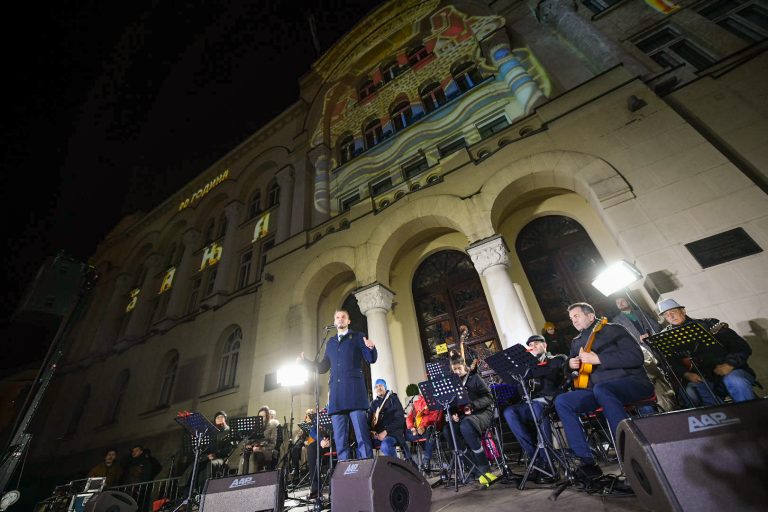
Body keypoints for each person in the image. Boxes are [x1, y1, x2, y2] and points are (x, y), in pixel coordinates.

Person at [554, 302, 654, 480]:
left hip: (631, 382)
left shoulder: (614, 329)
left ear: (590, 316)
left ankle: (630, 453)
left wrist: (599, 359)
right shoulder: (577, 342)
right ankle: (587, 462)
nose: (573, 321)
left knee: (603, 389)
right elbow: (571, 369)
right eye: (571, 318)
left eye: (576, 316)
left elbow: (636, 357)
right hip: (596, 390)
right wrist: (570, 365)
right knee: (563, 401)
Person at [299, 309, 377, 461]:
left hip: (354, 393)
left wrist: (371, 348)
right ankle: (344, 470)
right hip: (337, 396)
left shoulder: (358, 336)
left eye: (343, 317)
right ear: (334, 322)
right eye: (337, 317)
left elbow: (370, 359)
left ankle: (368, 467)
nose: (340, 319)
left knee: (362, 437)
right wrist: (305, 363)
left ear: (348, 321)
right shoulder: (330, 343)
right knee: (340, 441)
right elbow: (323, 367)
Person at [657, 298, 757, 407]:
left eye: (673, 312)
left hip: (731, 371)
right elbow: (668, 362)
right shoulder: (664, 338)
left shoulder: (709, 324)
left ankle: (751, 413)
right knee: (691, 391)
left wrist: (729, 364)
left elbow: (741, 347)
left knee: (736, 381)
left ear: (683, 311)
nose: (671, 316)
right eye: (666, 315)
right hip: (703, 379)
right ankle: (721, 415)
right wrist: (686, 374)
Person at [502, 334, 566, 484]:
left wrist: (534, 367)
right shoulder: (527, 367)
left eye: (537, 343)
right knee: (509, 412)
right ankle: (536, 460)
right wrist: (520, 375)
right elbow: (522, 391)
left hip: (550, 402)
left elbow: (552, 376)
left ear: (545, 345)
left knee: (537, 406)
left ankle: (548, 462)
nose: (534, 346)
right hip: (531, 404)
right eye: (530, 345)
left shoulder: (556, 359)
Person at [612, 296, 678, 412]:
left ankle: (676, 401)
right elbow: (621, 339)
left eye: (622, 301)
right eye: (618, 303)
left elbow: (656, 325)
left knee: (670, 375)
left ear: (628, 301)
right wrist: (638, 340)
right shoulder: (616, 321)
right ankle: (664, 408)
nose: (620, 303)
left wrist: (650, 334)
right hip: (641, 353)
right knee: (655, 381)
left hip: (655, 347)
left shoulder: (641, 312)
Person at [444, 354, 498, 488]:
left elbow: (489, 397)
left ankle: (485, 468)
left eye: (459, 368)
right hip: (464, 416)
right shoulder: (453, 383)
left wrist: (472, 406)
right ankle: (474, 469)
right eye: (454, 369)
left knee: (466, 426)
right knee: (448, 430)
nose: (457, 372)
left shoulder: (474, 378)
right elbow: (452, 404)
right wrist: (453, 413)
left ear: (464, 366)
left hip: (481, 413)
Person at [368, 379, 411, 460]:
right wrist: (371, 431)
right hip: (378, 435)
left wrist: (386, 431)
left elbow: (399, 420)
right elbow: (369, 422)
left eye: (381, 385)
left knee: (385, 445)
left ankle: (396, 466)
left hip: (393, 433)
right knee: (363, 446)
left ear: (385, 387)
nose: (379, 388)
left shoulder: (393, 399)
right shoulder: (373, 404)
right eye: (376, 387)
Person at [405, 390, 443, 473]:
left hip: (429, 429)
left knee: (430, 430)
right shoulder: (416, 402)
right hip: (417, 431)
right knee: (401, 434)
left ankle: (426, 461)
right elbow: (409, 417)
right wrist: (412, 428)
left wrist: (424, 426)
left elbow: (437, 417)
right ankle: (409, 462)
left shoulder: (436, 400)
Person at [244, 406, 280, 473]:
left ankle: (251, 477)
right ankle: (242, 477)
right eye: (259, 416)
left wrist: (260, 449)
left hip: (266, 451)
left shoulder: (272, 426)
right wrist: (248, 445)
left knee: (253, 456)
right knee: (244, 454)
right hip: (254, 449)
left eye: (263, 416)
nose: (261, 418)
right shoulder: (255, 427)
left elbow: (273, 444)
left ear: (267, 417)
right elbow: (249, 440)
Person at [289, 408, 315, 483]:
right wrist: (301, 432)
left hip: (312, 441)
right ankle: (296, 472)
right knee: (295, 448)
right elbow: (300, 437)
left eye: (310, 414)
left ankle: (304, 472)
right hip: (304, 441)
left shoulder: (315, 423)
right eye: (307, 414)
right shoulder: (305, 423)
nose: (308, 415)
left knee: (301, 448)